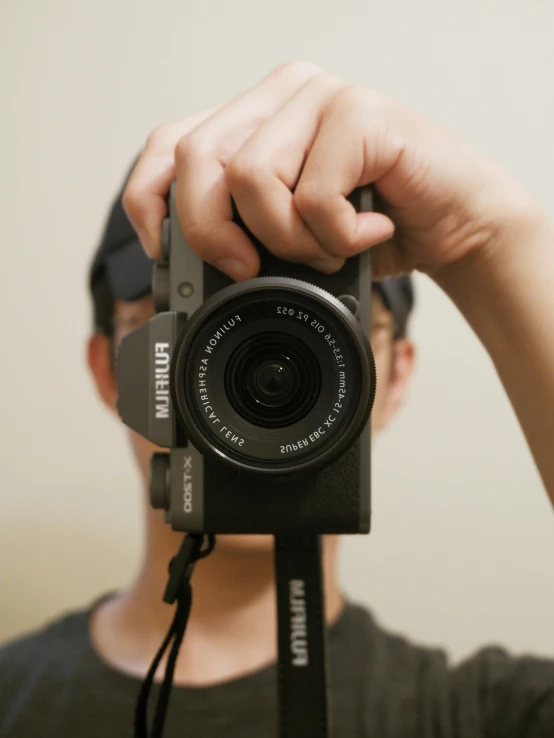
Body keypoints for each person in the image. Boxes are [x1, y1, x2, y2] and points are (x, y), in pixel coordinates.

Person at [0, 60, 553, 737]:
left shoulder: (480, 715)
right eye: (188, 318)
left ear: (394, 375)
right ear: (116, 372)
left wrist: (490, 239)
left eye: (310, 331)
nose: (246, 362)